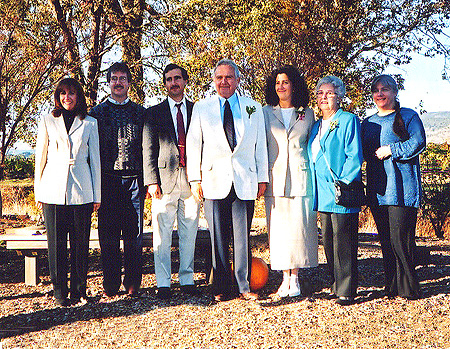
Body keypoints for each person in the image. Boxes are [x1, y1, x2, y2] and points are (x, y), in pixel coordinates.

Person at [186, 59, 269, 301]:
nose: (224, 82)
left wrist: (262, 178)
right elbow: (194, 144)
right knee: (218, 237)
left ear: (238, 81)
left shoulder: (252, 107)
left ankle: (244, 286)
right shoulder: (202, 108)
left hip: (245, 180)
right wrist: (195, 179)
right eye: (219, 77)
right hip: (212, 181)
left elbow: (260, 146)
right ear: (214, 81)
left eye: (229, 77)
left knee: (242, 236)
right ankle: (221, 287)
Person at [34, 78, 101, 306]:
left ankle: (79, 291)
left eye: (71, 93)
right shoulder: (47, 121)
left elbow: (96, 161)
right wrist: (38, 191)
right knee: (56, 244)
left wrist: (97, 195)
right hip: (52, 189)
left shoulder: (90, 123)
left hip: (82, 190)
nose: (67, 97)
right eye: (62, 93)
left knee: (81, 243)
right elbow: (40, 157)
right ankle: (59, 291)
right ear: (57, 96)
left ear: (78, 96)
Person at [361, 74, 425, 300]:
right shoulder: (368, 123)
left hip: (402, 190)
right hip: (379, 191)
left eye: (385, 89)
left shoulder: (408, 116)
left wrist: (392, 150)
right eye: (376, 90)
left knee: (401, 239)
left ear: (395, 92)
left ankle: (410, 287)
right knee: (386, 240)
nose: (380, 94)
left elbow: (418, 142)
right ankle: (391, 286)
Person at [142, 63, 200, 299]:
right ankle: (163, 282)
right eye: (169, 79)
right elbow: (148, 148)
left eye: (177, 78)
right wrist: (151, 181)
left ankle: (187, 278)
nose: (173, 83)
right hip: (164, 180)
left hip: (191, 180)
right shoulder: (153, 113)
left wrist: (201, 177)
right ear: (164, 84)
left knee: (190, 231)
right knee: (162, 233)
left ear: (185, 81)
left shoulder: (197, 111)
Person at [90, 62, 146, 299]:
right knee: (109, 235)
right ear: (108, 82)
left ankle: (133, 282)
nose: (118, 82)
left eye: (123, 78)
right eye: (114, 78)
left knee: (133, 235)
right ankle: (111, 282)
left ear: (129, 83)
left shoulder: (141, 113)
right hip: (108, 181)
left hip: (134, 180)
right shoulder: (96, 114)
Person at [307, 76, 363, 306]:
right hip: (321, 192)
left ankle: (347, 289)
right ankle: (335, 283)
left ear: (339, 97)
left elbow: (354, 155)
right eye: (320, 93)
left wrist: (344, 181)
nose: (324, 97)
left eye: (329, 93)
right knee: (329, 241)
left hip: (341, 191)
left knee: (345, 241)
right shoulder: (315, 125)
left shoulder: (348, 120)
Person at [263, 65, 318, 298]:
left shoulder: (308, 113)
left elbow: (314, 145)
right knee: (279, 230)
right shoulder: (265, 113)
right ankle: (283, 277)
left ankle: (294, 277)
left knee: (299, 229)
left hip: (300, 177)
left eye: (285, 82)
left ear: (294, 85)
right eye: (277, 82)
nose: (281, 86)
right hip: (274, 179)